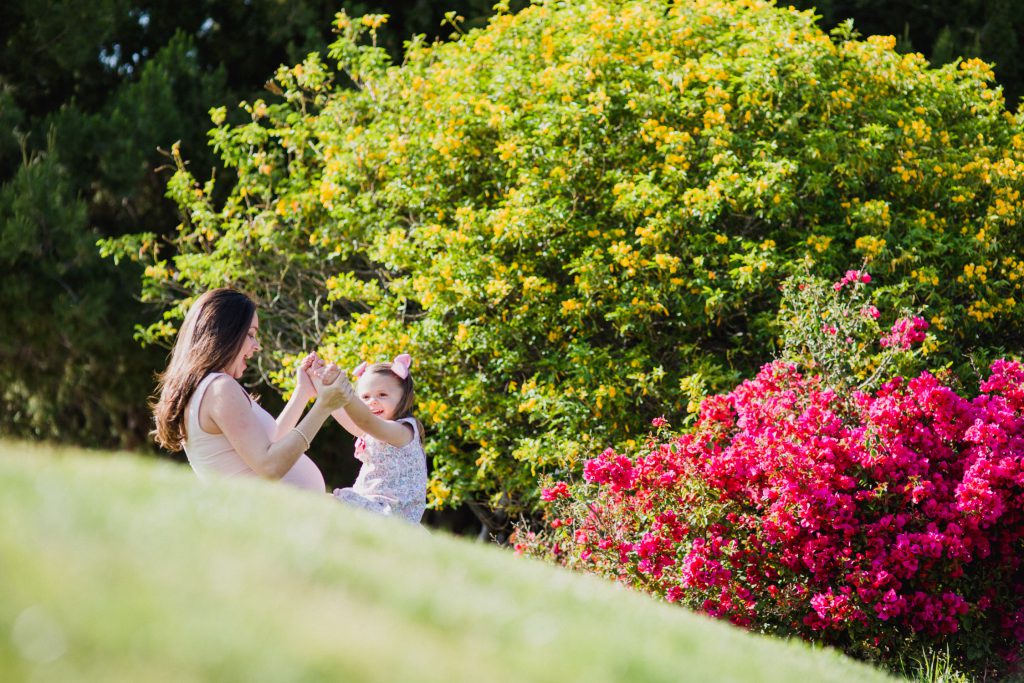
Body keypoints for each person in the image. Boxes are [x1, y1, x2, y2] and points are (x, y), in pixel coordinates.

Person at [151, 288, 350, 491]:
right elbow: (270, 466)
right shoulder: (219, 389)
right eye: (251, 335)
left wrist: (303, 392)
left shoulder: (209, 388)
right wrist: (323, 408)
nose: (257, 346)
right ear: (225, 333)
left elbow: (270, 443)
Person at [309, 353, 427, 523]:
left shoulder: (402, 431)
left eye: (382, 395)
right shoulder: (372, 429)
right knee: (318, 501)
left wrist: (343, 389)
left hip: (391, 513)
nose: (372, 402)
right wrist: (318, 379)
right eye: (365, 397)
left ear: (404, 397)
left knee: (324, 502)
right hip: (370, 503)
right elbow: (334, 407)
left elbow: (365, 420)